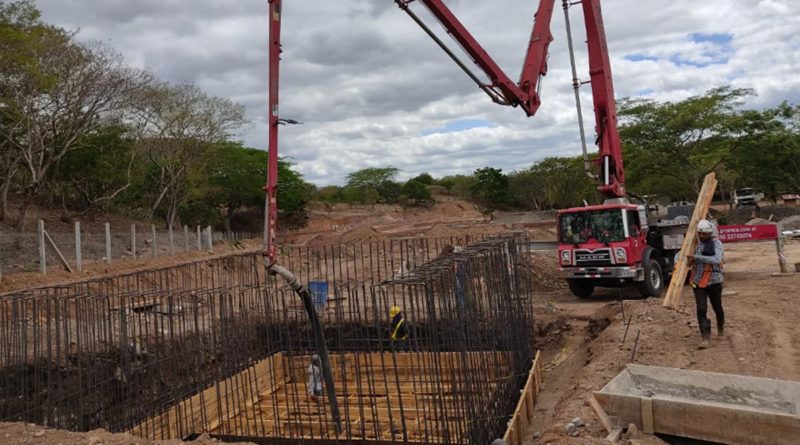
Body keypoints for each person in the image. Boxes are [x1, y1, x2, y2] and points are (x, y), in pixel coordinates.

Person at [687, 219, 724, 349]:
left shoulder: (717, 243)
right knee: (701, 309)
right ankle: (705, 338)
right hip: (698, 281)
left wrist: (696, 257)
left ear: (710, 233)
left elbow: (717, 259)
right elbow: (683, 255)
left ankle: (721, 329)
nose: (702, 236)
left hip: (714, 281)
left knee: (717, 307)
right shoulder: (694, 244)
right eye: (700, 233)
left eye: (705, 234)